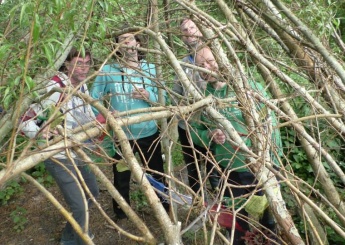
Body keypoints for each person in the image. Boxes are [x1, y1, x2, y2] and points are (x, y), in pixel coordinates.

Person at [191, 47, 282, 244]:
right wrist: (209, 134)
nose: (206, 67)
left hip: (258, 166)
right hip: (228, 170)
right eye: (200, 65)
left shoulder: (248, 87)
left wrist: (273, 164)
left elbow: (271, 126)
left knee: (269, 217)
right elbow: (194, 133)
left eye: (210, 61)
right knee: (236, 222)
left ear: (222, 60)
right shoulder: (203, 99)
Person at [20, 47, 100, 245]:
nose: (84, 68)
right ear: (67, 64)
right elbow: (23, 119)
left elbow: (85, 115)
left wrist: (101, 121)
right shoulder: (53, 87)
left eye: (87, 63)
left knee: (92, 193)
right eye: (78, 64)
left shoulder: (82, 86)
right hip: (58, 156)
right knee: (80, 206)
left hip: (79, 151)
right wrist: (40, 132)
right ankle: (78, 240)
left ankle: (70, 236)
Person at [90, 26, 168, 219]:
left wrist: (149, 95)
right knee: (121, 176)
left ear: (138, 43)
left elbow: (165, 99)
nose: (126, 42)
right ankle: (122, 212)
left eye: (130, 38)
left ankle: (164, 206)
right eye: (121, 39)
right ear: (116, 46)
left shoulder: (151, 68)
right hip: (121, 134)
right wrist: (106, 114)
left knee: (157, 172)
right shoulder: (108, 70)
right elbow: (93, 99)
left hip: (149, 132)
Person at [172, 18, 219, 194]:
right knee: (193, 168)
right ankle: (199, 203)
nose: (189, 31)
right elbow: (175, 93)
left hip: (213, 124)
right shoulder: (182, 63)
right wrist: (180, 106)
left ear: (200, 30)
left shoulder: (214, 56)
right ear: (182, 37)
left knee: (215, 167)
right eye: (185, 30)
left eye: (192, 27)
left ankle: (222, 206)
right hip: (189, 125)